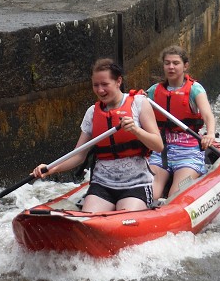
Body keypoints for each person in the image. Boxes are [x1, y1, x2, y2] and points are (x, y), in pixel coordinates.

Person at [32, 58, 163, 212]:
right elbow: (78, 155)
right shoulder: (92, 113)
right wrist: (51, 168)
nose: (100, 90)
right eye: (96, 85)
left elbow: (158, 146)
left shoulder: (139, 103)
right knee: (89, 218)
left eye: (105, 84)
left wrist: (136, 130)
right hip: (102, 184)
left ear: (118, 81)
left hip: (136, 184)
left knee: (124, 217)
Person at [146, 45, 217, 200]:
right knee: (150, 195)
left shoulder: (195, 89)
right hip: (161, 151)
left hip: (189, 152)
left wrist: (210, 133)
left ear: (185, 66)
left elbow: (207, 115)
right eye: (167, 63)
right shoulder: (153, 91)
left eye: (176, 63)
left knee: (175, 195)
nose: (171, 67)